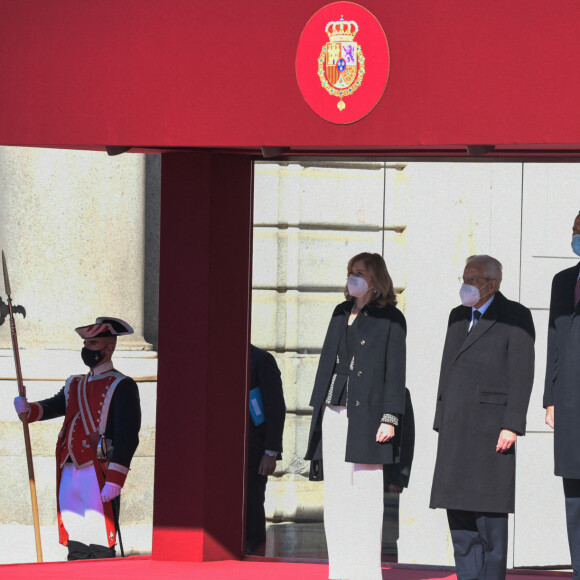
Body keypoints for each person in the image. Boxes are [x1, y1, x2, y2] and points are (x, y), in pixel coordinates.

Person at [430, 255, 535, 579]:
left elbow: (522, 374)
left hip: (491, 430)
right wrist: (441, 419)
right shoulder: (457, 317)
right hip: (456, 428)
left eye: (472, 279)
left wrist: (512, 424)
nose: (466, 285)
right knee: (460, 523)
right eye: (464, 277)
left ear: (493, 283)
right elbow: (447, 370)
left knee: (490, 523)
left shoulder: (514, 316)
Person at [305, 252, 406, 580]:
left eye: (358, 273)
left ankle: (364, 570)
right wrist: (318, 407)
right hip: (334, 407)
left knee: (363, 493)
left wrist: (390, 417)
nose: (352, 278)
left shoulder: (391, 317)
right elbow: (328, 361)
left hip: (369, 414)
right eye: (350, 272)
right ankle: (340, 569)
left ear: (374, 280)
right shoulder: (339, 311)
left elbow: (396, 371)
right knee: (337, 494)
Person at [13, 317, 141, 560]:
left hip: (97, 467)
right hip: (69, 465)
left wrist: (116, 477)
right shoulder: (76, 382)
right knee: (76, 534)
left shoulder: (122, 385)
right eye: (85, 342)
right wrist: (27, 409)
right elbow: (54, 406)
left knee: (99, 537)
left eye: (92, 343)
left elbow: (128, 435)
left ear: (109, 348)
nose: (86, 348)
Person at [544, 210, 580, 578]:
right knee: (574, 496)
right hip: (569, 400)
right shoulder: (563, 281)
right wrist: (549, 397)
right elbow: (554, 340)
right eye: (574, 231)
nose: (576, 238)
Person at [246, 344, 286, 555]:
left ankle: (254, 559)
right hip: (223, 453)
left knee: (252, 506)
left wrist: (271, 452)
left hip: (254, 452)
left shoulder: (260, 359)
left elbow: (275, 406)